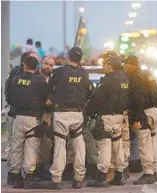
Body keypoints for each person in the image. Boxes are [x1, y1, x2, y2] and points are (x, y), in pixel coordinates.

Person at [47, 47, 94, 190]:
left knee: (60, 146)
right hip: (77, 114)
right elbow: (90, 92)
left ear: (68, 56)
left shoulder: (59, 72)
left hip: (61, 113)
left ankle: (56, 180)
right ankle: (78, 179)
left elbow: (49, 88)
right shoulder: (84, 74)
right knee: (79, 146)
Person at [85, 55, 129, 187]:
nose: (103, 66)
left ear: (110, 65)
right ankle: (119, 175)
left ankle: (101, 177)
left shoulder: (107, 80)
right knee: (118, 145)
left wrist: (88, 112)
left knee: (104, 146)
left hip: (107, 117)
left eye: (104, 64)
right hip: (119, 117)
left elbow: (97, 98)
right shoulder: (124, 78)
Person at [7, 56, 49, 189]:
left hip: (18, 116)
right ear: (36, 67)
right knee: (31, 146)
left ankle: (15, 175)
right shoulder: (41, 82)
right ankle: (29, 176)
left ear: (24, 65)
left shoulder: (14, 79)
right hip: (32, 118)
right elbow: (45, 100)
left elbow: (8, 96)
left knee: (16, 146)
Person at [124, 55, 157, 185]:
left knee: (144, 144)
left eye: (126, 64)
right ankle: (154, 171)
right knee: (152, 142)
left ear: (131, 64)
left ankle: (148, 173)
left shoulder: (136, 76)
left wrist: (137, 117)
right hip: (153, 112)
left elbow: (137, 99)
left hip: (144, 113)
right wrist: (156, 109)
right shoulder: (148, 74)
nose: (125, 67)